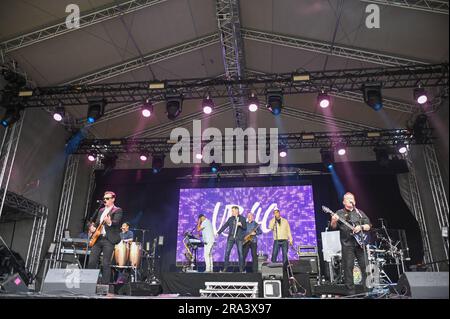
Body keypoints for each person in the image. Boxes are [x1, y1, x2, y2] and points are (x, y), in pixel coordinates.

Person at [330, 192, 371, 291]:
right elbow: (332, 228)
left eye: (351, 198)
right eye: (347, 199)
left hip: (361, 244)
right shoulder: (339, 213)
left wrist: (360, 227)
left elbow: (368, 226)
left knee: (365, 267)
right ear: (344, 202)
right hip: (347, 244)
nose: (350, 200)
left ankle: (367, 291)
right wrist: (334, 220)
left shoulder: (359, 213)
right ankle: (351, 293)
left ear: (354, 201)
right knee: (348, 268)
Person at [88, 191, 123, 284]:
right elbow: (96, 223)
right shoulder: (101, 210)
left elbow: (116, 222)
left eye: (107, 198)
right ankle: (90, 284)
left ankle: (104, 286)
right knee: (92, 261)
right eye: (104, 199)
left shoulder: (117, 210)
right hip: (98, 238)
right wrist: (93, 228)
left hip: (109, 239)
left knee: (106, 263)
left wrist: (109, 222)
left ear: (113, 199)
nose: (105, 200)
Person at [215, 206, 247, 272]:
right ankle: (225, 267)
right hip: (231, 237)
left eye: (233, 211)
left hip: (239, 238)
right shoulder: (230, 219)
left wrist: (241, 225)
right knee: (227, 252)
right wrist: (218, 233)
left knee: (240, 253)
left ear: (237, 211)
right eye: (232, 211)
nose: (231, 212)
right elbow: (225, 225)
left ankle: (241, 269)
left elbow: (245, 228)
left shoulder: (242, 218)